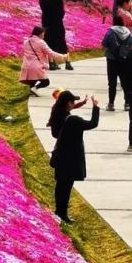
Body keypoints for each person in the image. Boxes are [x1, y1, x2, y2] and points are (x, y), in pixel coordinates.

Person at [47, 90, 100, 224]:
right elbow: (93, 123)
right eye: (73, 102)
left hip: (60, 156)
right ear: (68, 104)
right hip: (71, 158)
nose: (74, 104)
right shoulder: (74, 120)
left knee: (60, 186)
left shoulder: (57, 116)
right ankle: (63, 213)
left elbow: (55, 134)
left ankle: (59, 211)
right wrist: (96, 107)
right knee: (66, 187)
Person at [19, 25, 68, 95]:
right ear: (40, 34)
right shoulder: (41, 42)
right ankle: (34, 89)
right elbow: (51, 53)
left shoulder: (26, 42)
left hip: (26, 66)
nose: (44, 35)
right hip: (36, 66)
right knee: (46, 82)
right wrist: (63, 56)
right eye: (43, 33)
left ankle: (32, 91)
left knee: (33, 81)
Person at [101, 15, 132, 113]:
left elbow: (104, 44)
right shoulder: (128, 32)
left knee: (112, 83)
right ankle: (127, 104)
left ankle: (111, 104)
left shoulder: (111, 31)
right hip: (124, 61)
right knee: (125, 83)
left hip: (112, 60)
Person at [39, 0, 73, 70]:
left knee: (49, 43)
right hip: (57, 22)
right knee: (62, 42)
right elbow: (62, 11)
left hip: (46, 22)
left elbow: (42, 8)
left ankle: (52, 63)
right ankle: (68, 63)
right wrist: (59, 18)